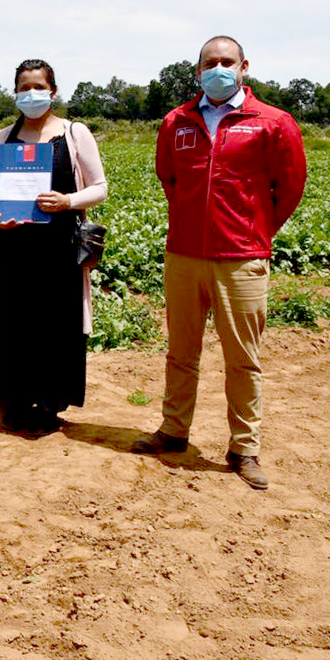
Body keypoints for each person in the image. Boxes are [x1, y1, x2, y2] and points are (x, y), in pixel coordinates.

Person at [132, 36, 306, 490]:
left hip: (242, 257)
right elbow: (169, 177)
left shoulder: (273, 122)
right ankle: (173, 431)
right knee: (181, 352)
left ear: (244, 67)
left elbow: (289, 188)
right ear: (197, 72)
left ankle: (244, 447)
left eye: (227, 62)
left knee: (243, 358)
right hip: (184, 254)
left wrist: (255, 229)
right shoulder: (177, 121)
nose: (219, 68)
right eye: (210, 63)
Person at [0, 59, 108, 434]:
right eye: (24, 87)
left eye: (38, 87)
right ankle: (18, 399)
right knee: (18, 322)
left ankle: (52, 401)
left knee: (59, 322)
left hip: (61, 246)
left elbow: (99, 188)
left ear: (52, 91)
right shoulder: (1, 139)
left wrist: (67, 201)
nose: (31, 94)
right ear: (15, 92)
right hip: (15, 245)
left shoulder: (73, 134)